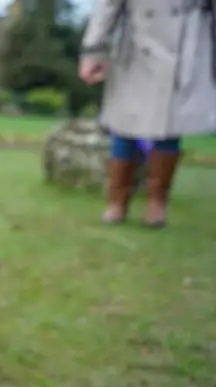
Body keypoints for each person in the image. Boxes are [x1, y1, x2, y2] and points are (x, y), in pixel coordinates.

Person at [78, 0, 216, 228]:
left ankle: (157, 202)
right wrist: (94, 49)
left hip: (188, 42)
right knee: (124, 123)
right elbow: (108, 5)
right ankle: (117, 202)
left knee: (169, 126)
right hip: (136, 42)